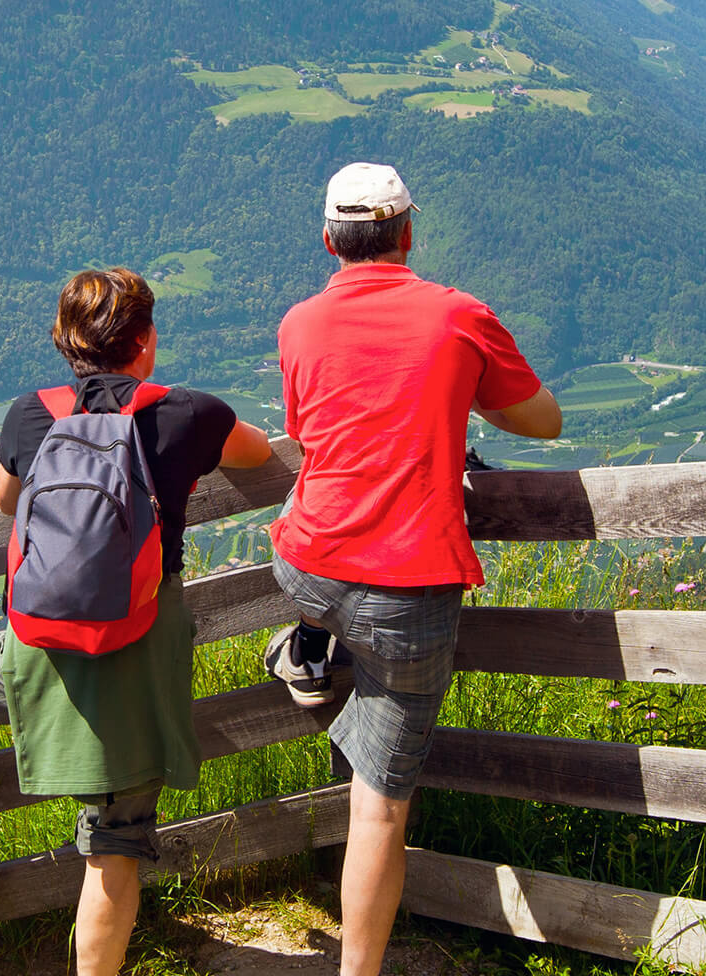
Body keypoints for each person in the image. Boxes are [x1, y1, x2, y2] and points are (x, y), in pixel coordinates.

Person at [0, 268, 273, 975]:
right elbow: (259, 455)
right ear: (147, 341)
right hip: (142, 648)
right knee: (114, 845)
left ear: (68, 344)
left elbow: (10, 501)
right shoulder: (188, 414)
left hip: (38, 647)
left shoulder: (28, 414)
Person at [268, 161, 560, 976]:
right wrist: (457, 391)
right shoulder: (459, 317)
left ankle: (309, 649)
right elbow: (543, 421)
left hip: (306, 561)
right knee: (380, 809)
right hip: (405, 586)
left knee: (333, 618)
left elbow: (308, 429)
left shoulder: (298, 325)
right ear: (407, 235)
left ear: (330, 241)